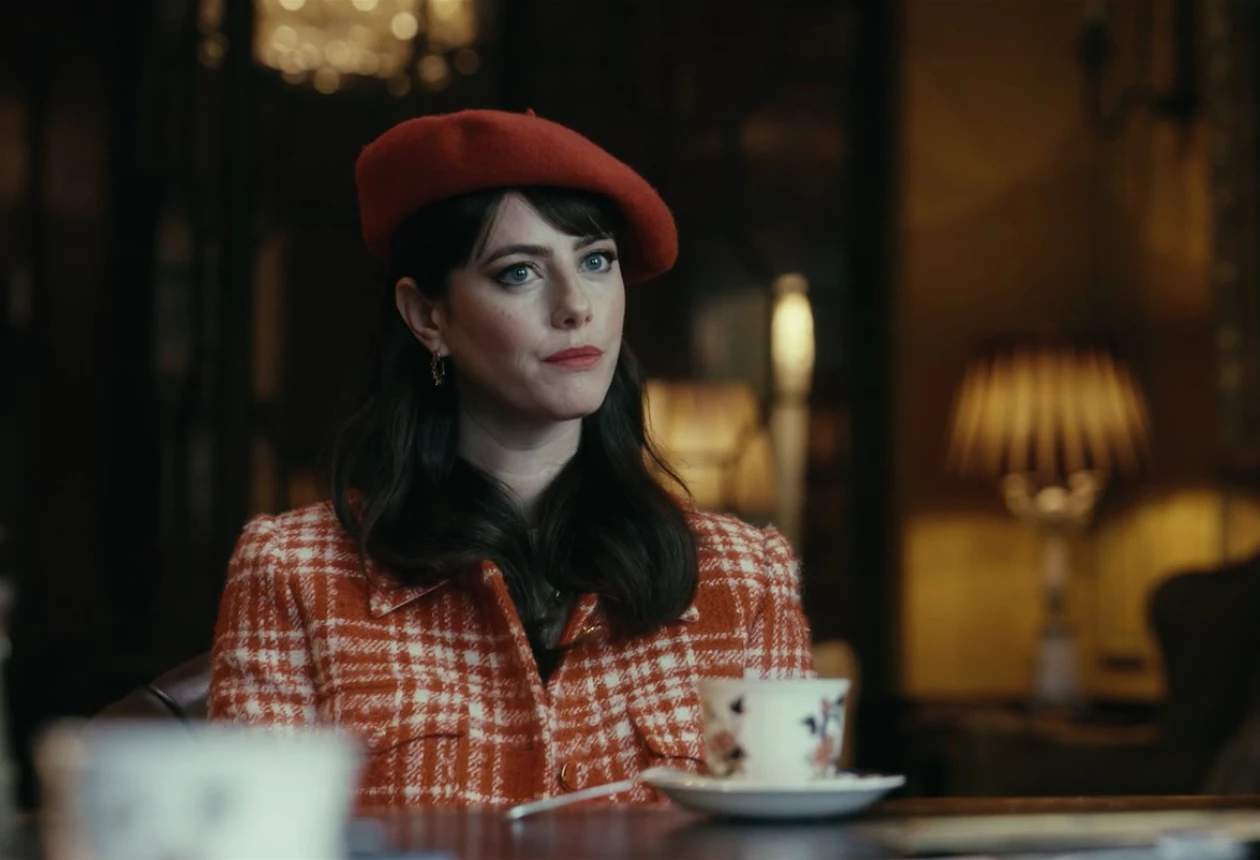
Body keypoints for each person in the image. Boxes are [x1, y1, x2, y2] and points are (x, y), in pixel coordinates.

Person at [208, 109, 815, 810]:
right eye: (519, 272)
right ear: (427, 316)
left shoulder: (746, 577)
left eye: (596, 261)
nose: (575, 306)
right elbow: (253, 841)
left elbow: (787, 840)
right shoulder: (294, 572)